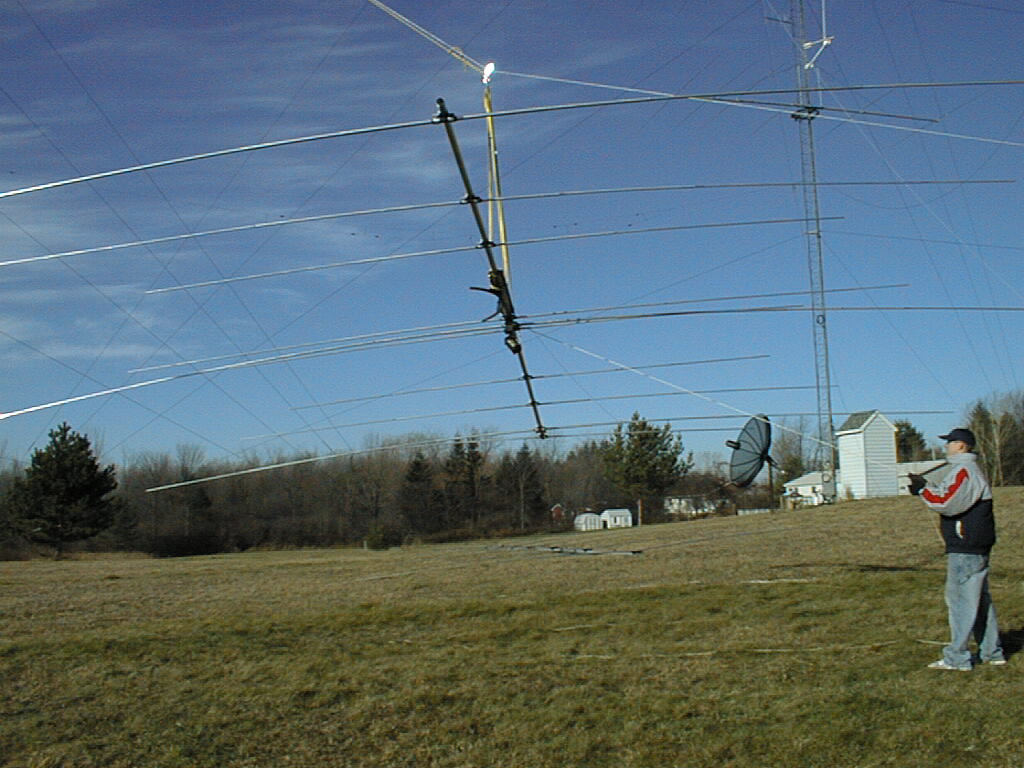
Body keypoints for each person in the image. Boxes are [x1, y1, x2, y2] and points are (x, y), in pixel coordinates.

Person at [908, 428, 1006, 671]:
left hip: (966, 547)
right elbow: (949, 496)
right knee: (979, 601)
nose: (947, 446)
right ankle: (992, 653)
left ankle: (957, 658)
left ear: (961, 445)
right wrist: (926, 487)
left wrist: (922, 490)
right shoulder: (964, 471)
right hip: (973, 545)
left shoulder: (964, 470)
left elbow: (946, 503)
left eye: (950, 442)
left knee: (961, 601)